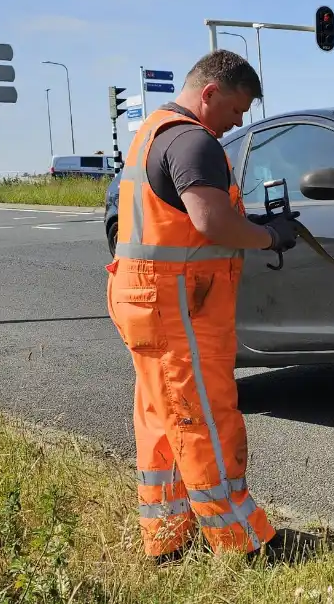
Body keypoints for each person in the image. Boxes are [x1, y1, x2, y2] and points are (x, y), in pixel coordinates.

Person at [105, 49, 299, 564]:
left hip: (145, 301)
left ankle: (167, 539)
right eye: (236, 109)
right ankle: (245, 542)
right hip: (180, 309)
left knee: (161, 419)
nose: (238, 121)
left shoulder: (152, 133)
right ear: (210, 93)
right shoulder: (195, 142)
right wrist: (270, 236)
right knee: (204, 420)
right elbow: (211, 223)